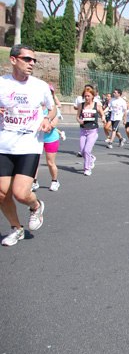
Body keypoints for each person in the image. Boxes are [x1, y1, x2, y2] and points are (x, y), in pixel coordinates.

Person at [0, 44, 55, 247]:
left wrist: (48, 119)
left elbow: (52, 109)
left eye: (34, 60)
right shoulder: (2, 84)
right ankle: (16, 228)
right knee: (1, 193)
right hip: (4, 145)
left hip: (29, 145)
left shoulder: (39, 86)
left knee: (20, 193)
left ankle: (36, 205)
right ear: (13, 60)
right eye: (27, 59)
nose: (32, 63)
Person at [31, 103, 61, 192]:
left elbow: (54, 124)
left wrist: (42, 124)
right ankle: (34, 181)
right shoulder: (36, 107)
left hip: (51, 139)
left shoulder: (53, 109)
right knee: (34, 161)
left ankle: (54, 181)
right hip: (37, 138)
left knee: (50, 162)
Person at [76, 87, 106, 176]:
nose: (87, 98)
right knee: (82, 151)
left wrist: (103, 119)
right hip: (83, 130)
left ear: (93, 96)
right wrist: (79, 120)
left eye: (88, 96)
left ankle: (87, 168)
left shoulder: (97, 105)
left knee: (87, 150)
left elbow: (102, 114)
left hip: (93, 131)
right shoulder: (81, 105)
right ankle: (91, 158)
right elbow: (77, 117)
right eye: (85, 96)